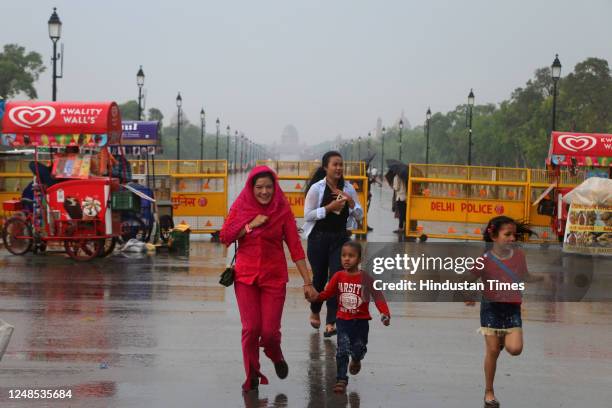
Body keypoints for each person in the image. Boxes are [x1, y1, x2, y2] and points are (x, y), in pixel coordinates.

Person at [220, 166, 317, 393]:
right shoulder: (242, 206)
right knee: (251, 329)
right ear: (251, 188)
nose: (264, 192)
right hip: (245, 277)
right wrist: (249, 225)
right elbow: (225, 236)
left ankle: (275, 354)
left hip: (274, 278)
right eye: (259, 187)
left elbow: (295, 248)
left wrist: (307, 281)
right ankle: (252, 374)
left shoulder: (282, 210)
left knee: (271, 333)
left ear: (275, 188)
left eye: (268, 187)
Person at [464, 216, 544, 407]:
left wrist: (542, 278)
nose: (511, 238)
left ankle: (501, 342)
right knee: (492, 350)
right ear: (493, 235)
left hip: (512, 308)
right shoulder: (484, 260)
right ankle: (489, 391)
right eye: (507, 234)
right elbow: (467, 279)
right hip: (490, 309)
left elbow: (525, 276)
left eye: (513, 235)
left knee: (515, 349)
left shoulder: (519, 257)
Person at [308, 241, 390, 393]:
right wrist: (315, 297)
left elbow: (378, 296)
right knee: (342, 350)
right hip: (343, 321)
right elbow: (327, 293)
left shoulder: (366, 278)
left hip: (361, 323)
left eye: (351, 256)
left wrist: (385, 314)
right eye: (343, 256)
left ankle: (357, 359)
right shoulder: (338, 276)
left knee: (358, 349)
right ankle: (341, 379)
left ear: (359, 259)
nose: (346, 259)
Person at [303, 151, 363, 337]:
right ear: (325, 168)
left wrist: (352, 203)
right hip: (319, 238)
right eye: (334, 165)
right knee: (319, 279)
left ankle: (331, 321)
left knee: (337, 279)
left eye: (340, 165)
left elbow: (360, 215)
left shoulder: (348, 188)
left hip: (340, 239)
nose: (338, 168)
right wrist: (328, 209)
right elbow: (308, 215)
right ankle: (315, 309)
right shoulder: (316, 189)